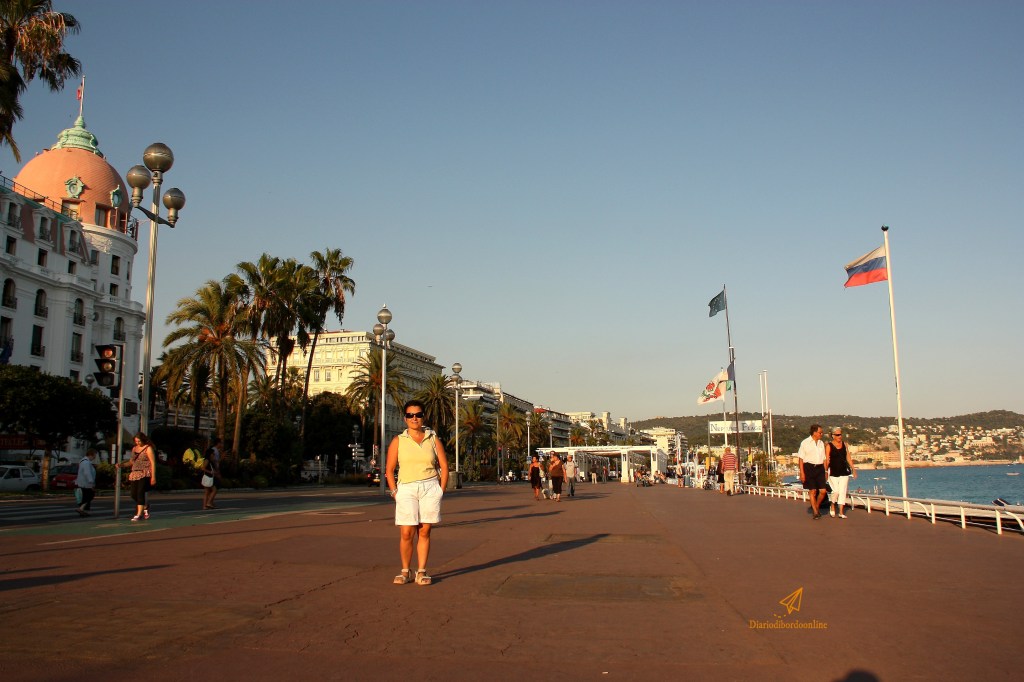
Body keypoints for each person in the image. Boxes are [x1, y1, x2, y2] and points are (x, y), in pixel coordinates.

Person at [385, 400, 449, 587]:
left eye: (418, 415)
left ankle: (422, 571)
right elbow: (389, 469)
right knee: (407, 532)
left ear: (423, 416)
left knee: (425, 530)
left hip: (430, 486)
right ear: (405, 418)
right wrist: (395, 491)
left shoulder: (433, 439)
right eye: (411, 415)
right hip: (406, 488)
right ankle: (406, 570)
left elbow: (444, 467)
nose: (415, 418)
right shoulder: (398, 441)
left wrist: (440, 490)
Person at [118, 433, 156, 521]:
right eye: (136, 441)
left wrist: (153, 477)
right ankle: (145, 506)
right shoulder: (134, 449)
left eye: (139, 441)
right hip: (135, 473)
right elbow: (131, 462)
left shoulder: (148, 448)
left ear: (143, 440)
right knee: (133, 494)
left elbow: (153, 463)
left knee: (140, 493)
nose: (137, 442)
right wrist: (122, 465)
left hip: (144, 473)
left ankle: (139, 514)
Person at [825, 428, 857, 518]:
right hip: (833, 472)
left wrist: (853, 469)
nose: (840, 436)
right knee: (836, 491)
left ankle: (841, 512)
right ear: (833, 436)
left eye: (841, 434)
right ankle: (832, 505)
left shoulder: (844, 444)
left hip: (844, 471)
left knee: (843, 491)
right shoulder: (829, 446)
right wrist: (826, 471)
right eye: (838, 435)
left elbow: (848, 458)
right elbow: (827, 459)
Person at [798, 424, 828, 519]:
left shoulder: (821, 443)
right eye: (820, 432)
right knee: (813, 491)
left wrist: (826, 471)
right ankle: (815, 512)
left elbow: (824, 458)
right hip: (809, 467)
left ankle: (816, 506)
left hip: (819, 468)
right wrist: (802, 473)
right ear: (814, 433)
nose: (821, 434)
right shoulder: (805, 443)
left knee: (823, 491)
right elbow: (801, 459)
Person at [75, 449, 97, 516]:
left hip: (84, 483)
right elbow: (88, 473)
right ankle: (81, 509)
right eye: (94, 456)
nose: (94, 457)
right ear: (91, 455)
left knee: (86, 497)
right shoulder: (86, 463)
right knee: (89, 496)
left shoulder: (84, 461)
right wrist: (91, 483)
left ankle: (82, 510)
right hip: (86, 484)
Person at [203, 437, 222, 510]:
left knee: (207, 492)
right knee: (214, 490)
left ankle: (205, 505)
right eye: (213, 454)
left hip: (209, 476)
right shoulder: (207, 460)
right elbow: (203, 468)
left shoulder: (210, 461)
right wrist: (211, 472)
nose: (214, 455)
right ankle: (209, 503)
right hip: (208, 476)